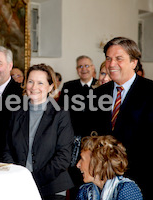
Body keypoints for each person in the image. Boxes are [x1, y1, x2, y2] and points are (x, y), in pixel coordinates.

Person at [90, 37, 153, 199]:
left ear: (134, 62)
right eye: (108, 58)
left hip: (142, 180)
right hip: (104, 179)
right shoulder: (99, 94)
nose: (111, 64)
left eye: (119, 58)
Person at [3, 64, 74, 200]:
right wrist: (17, 175)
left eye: (40, 83)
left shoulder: (60, 114)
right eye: (30, 81)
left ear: (51, 87)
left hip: (51, 188)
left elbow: (63, 157)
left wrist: (32, 179)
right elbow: (7, 150)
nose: (34, 87)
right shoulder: (16, 113)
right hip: (19, 186)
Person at [58, 55, 97, 199]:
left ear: (93, 68)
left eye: (87, 66)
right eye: (80, 66)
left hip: (94, 139)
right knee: (74, 173)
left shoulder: (101, 86)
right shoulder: (69, 86)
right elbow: (62, 111)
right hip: (74, 137)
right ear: (76, 70)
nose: (84, 69)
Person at [76, 135, 142, 200]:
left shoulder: (127, 190)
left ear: (98, 162)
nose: (78, 165)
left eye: (82, 159)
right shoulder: (84, 191)